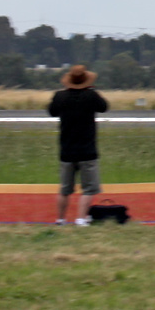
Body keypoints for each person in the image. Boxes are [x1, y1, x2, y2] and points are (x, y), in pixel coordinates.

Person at [48, 64, 109, 226]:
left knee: (65, 189)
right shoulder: (91, 96)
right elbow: (104, 107)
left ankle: (60, 219)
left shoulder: (59, 97)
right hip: (87, 150)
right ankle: (81, 218)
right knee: (89, 189)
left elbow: (52, 111)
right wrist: (92, 91)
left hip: (66, 150)